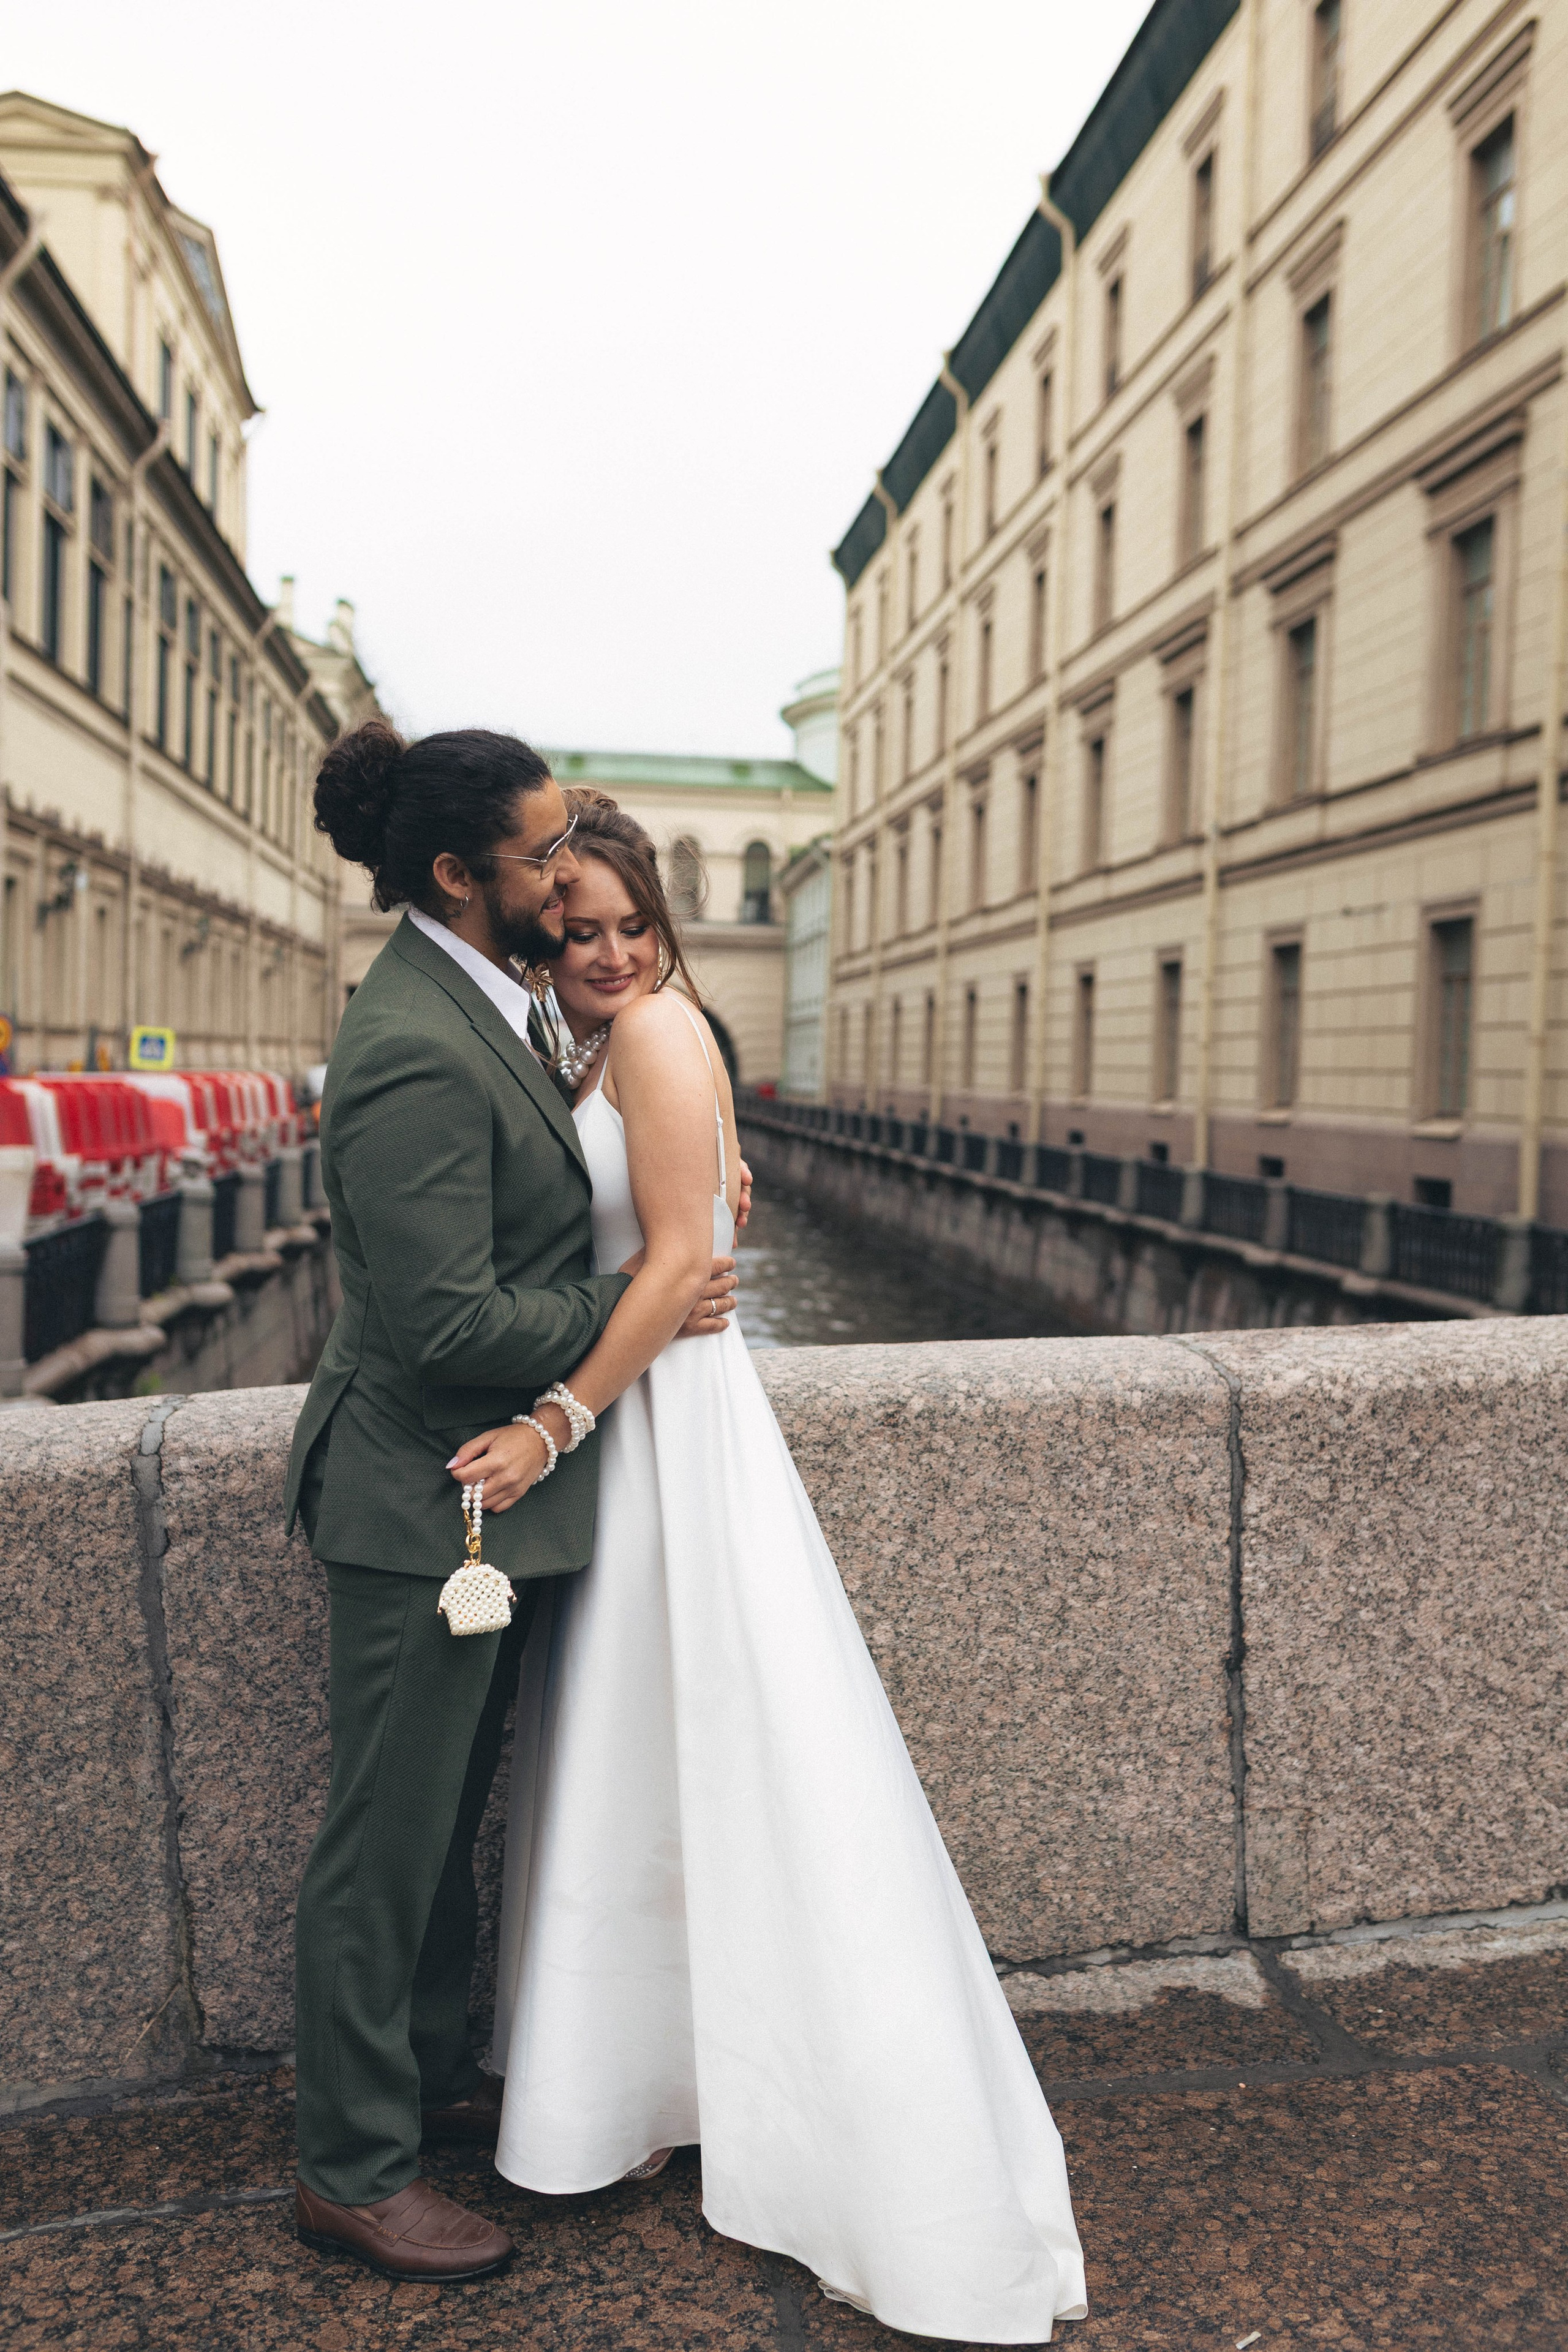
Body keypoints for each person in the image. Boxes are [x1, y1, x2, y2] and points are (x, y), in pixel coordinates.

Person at [451, 791, 1088, 2343]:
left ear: (661, 925)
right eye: (574, 928)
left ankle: (781, 2108)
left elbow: (674, 1267)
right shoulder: (591, 1041)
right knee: (654, 1743)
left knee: (727, 1731)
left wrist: (548, 1420)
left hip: (660, 1421)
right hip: (652, 1408)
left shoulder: (659, 1035)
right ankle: (661, 2074)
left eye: (625, 925)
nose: (602, 951)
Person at [284, 726, 743, 2284]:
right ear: (456, 877)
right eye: (546, 855)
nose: (569, 874)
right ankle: (350, 2166)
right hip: (427, 1501)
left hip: (478, 1507)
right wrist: (633, 1292)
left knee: (435, 1831)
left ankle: (418, 2091)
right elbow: (442, 1330)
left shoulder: (507, 1000)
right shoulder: (414, 1038)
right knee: (383, 1845)